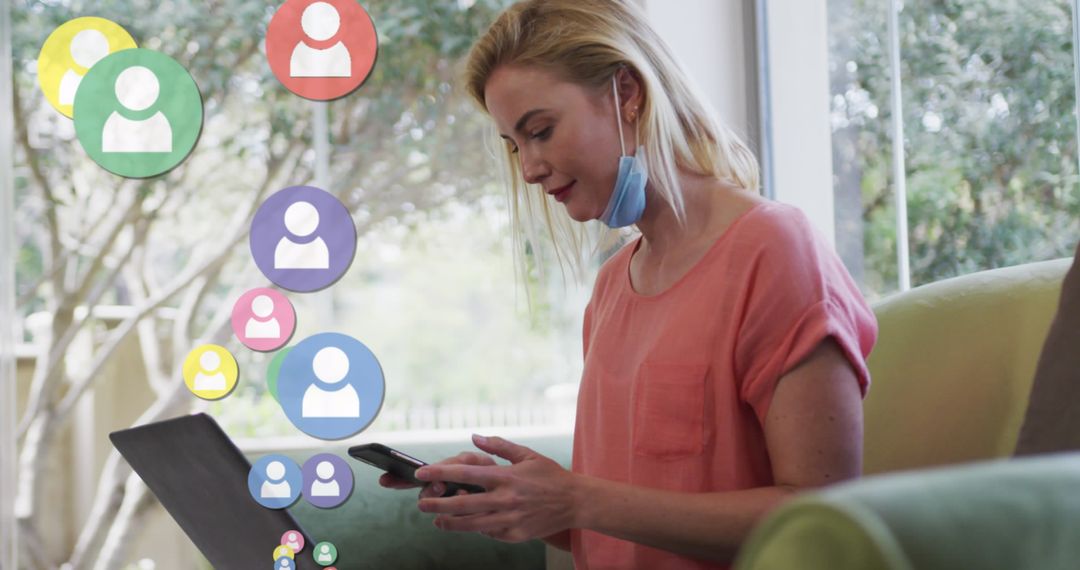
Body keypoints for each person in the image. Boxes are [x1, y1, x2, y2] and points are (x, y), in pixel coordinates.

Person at [379, 1, 877, 568]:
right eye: (516, 145)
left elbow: (821, 519)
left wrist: (580, 499)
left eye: (540, 131)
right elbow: (622, 522)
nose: (530, 169)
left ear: (628, 93)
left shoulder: (773, 249)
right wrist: (531, 503)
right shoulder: (613, 287)